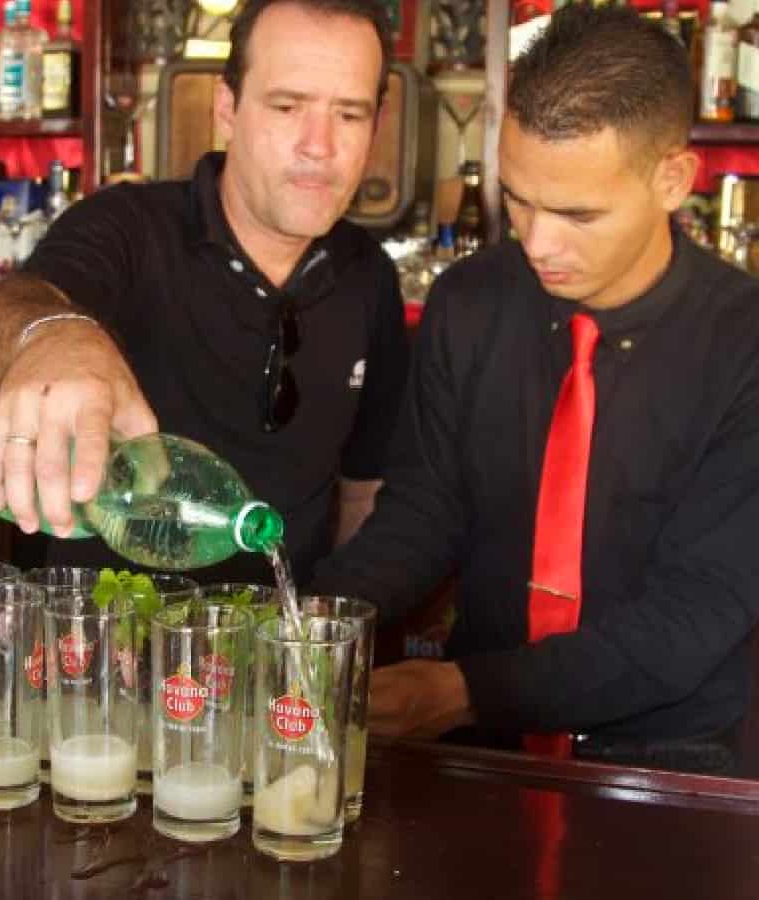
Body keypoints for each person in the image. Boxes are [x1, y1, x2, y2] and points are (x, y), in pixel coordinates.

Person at [313, 4, 759, 774]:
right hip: (479, 746)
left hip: (665, 755)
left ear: (672, 180)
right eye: (518, 197)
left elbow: (695, 611)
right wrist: (313, 622)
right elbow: (425, 510)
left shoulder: (743, 341)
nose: (536, 242)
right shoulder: (472, 301)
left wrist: (465, 691)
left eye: (578, 214)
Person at [0, 0, 409, 584]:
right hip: (109, 646)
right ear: (228, 108)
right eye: (286, 106)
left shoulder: (368, 275)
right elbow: (1, 314)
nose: (318, 145)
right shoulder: (127, 227)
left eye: (348, 115)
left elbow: (363, 491)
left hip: (278, 658)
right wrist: (58, 339)